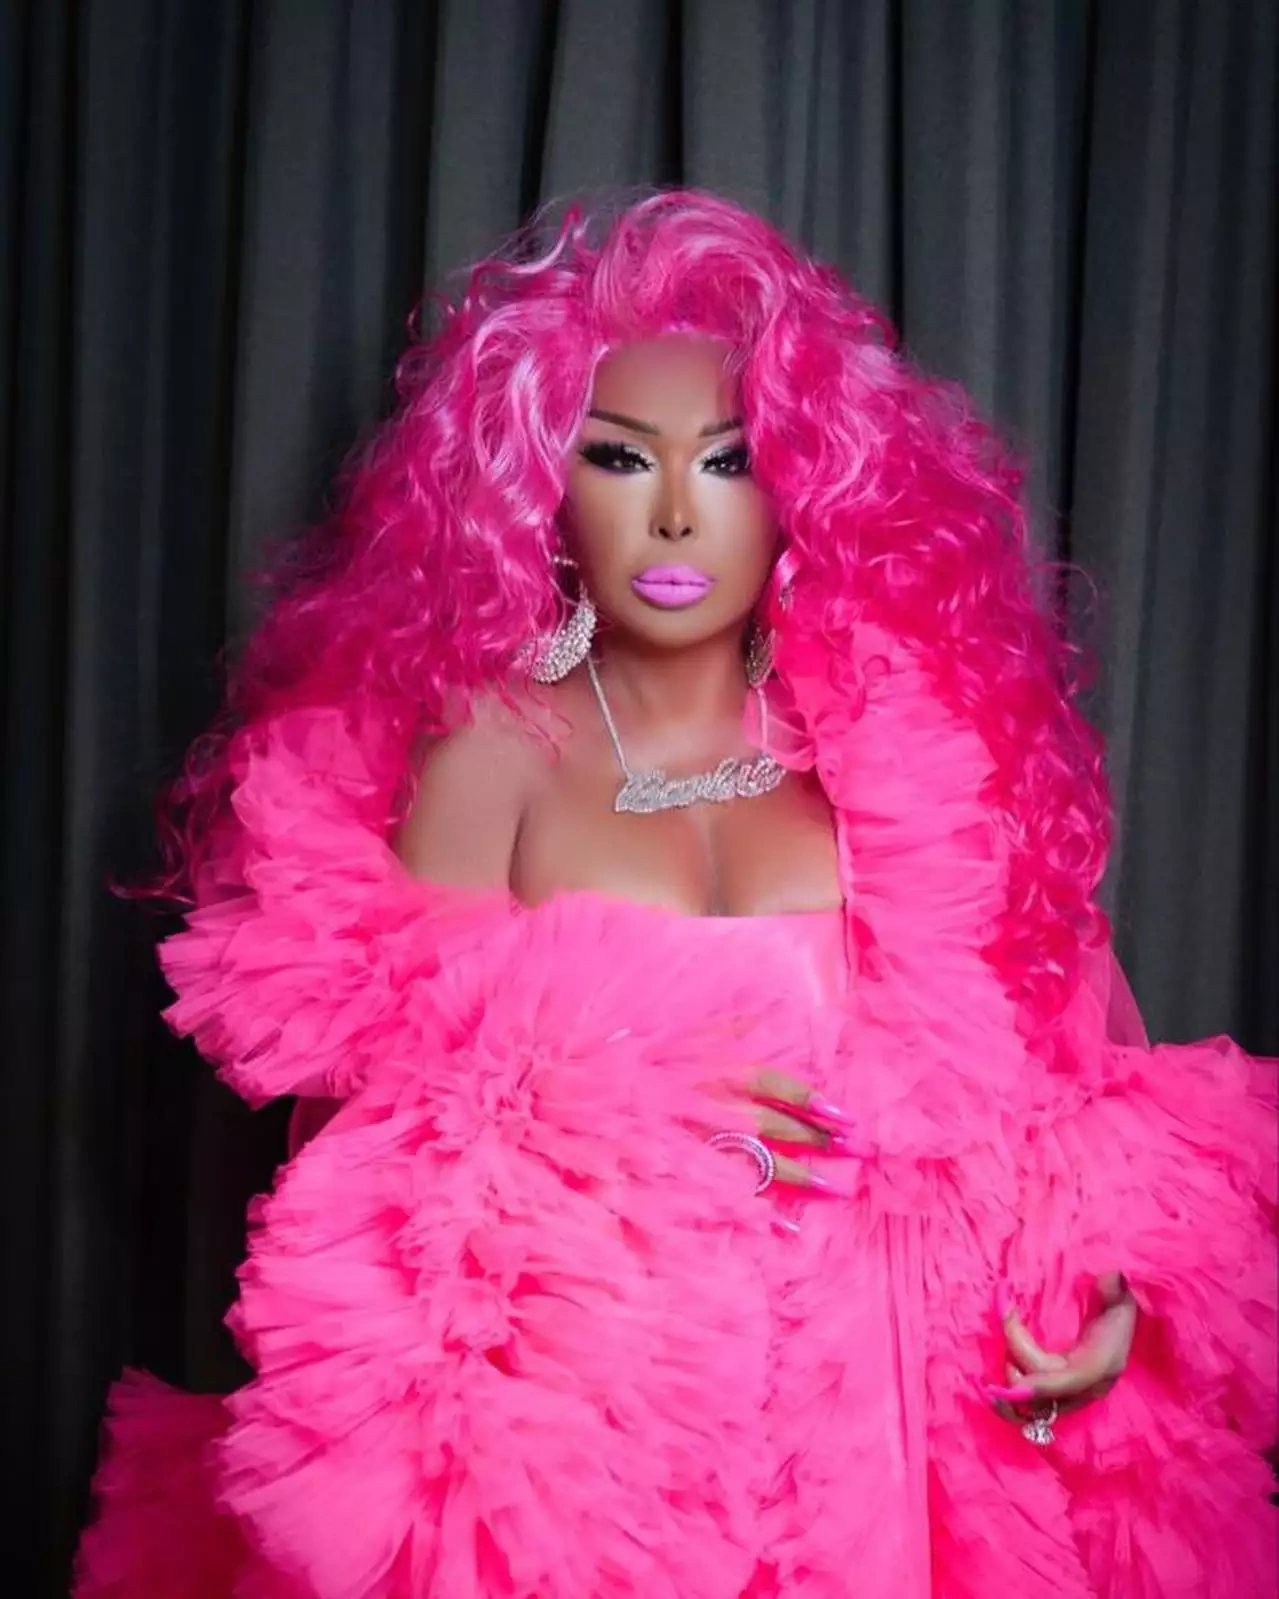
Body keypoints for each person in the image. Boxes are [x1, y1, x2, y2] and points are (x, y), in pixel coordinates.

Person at [75, 191, 1276, 1598]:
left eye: (727, 459)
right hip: (600, 1435)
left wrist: (1102, 1290)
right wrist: (618, 1099)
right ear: (539, 481)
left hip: (886, 1409)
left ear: (802, 485)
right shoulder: (493, 751)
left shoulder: (898, 754)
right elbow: (374, 1151)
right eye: (618, 456)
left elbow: (1054, 1072)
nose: (672, 512)